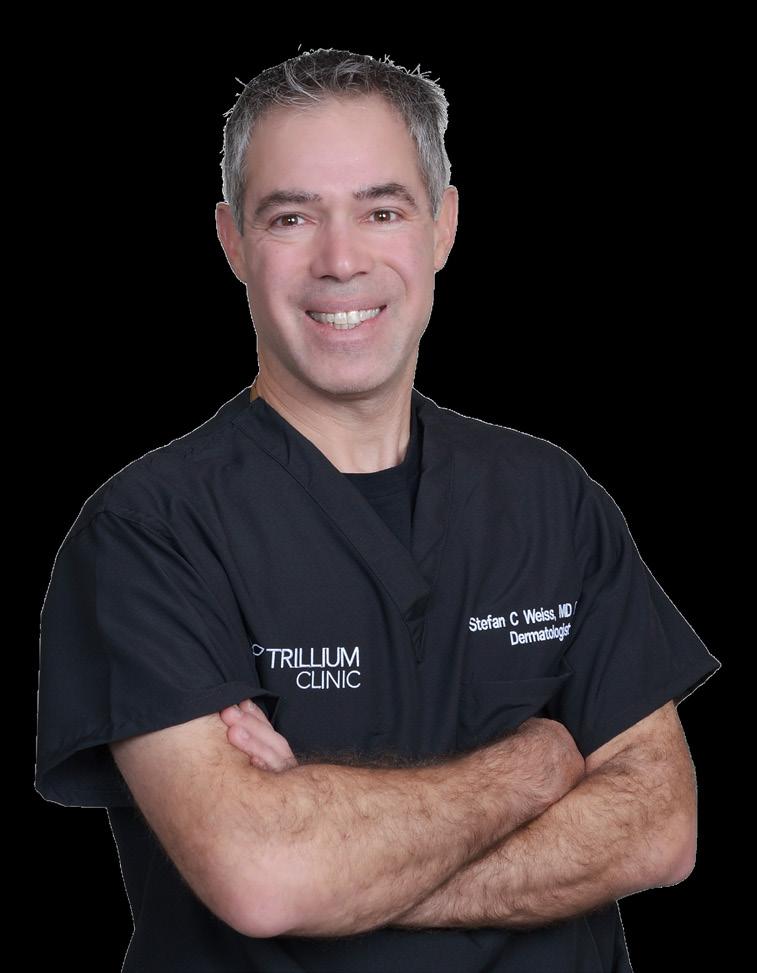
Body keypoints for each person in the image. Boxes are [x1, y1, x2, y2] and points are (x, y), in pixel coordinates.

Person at [34, 48, 721, 972]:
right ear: (232, 241)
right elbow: (264, 875)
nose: (341, 260)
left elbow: (659, 827)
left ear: (442, 226)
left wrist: (342, 866)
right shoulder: (148, 534)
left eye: (382, 210)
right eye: (291, 217)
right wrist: (537, 763)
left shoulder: (548, 498)